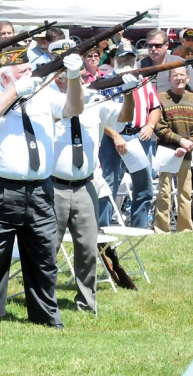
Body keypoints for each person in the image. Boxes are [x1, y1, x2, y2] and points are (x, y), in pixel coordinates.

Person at [0, 47, 82, 328]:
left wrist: (75, 76)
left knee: (44, 254)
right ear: (7, 77)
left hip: (39, 189)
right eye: (22, 72)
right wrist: (17, 91)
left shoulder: (43, 94)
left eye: (30, 70)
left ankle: (46, 314)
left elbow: (73, 108)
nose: (30, 75)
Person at [52, 64, 136, 313]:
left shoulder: (96, 103)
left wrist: (129, 92)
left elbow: (124, 117)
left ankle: (87, 303)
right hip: (53, 186)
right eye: (66, 78)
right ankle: (45, 301)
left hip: (85, 186)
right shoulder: (49, 104)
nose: (70, 82)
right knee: (48, 248)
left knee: (88, 248)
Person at [98, 41, 161, 229]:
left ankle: (139, 227)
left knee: (144, 185)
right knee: (109, 184)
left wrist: (150, 125)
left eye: (130, 58)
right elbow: (98, 115)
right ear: (115, 59)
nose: (126, 61)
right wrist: (115, 135)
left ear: (135, 60)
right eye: (122, 58)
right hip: (111, 138)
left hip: (139, 137)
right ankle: (103, 226)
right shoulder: (106, 81)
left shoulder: (144, 80)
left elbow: (155, 107)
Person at [153, 67, 193, 234]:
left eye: (182, 75)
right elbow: (159, 127)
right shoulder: (161, 98)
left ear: (188, 78)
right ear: (169, 79)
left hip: (186, 152)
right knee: (164, 192)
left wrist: (189, 143)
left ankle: (185, 230)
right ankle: (162, 230)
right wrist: (180, 141)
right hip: (166, 151)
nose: (179, 78)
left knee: (185, 193)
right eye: (175, 75)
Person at [138, 29, 193, 93]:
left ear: (166, 45)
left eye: (158, 45)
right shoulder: (139, 66)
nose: (153, 49)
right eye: (150, 45)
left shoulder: (181, 63)